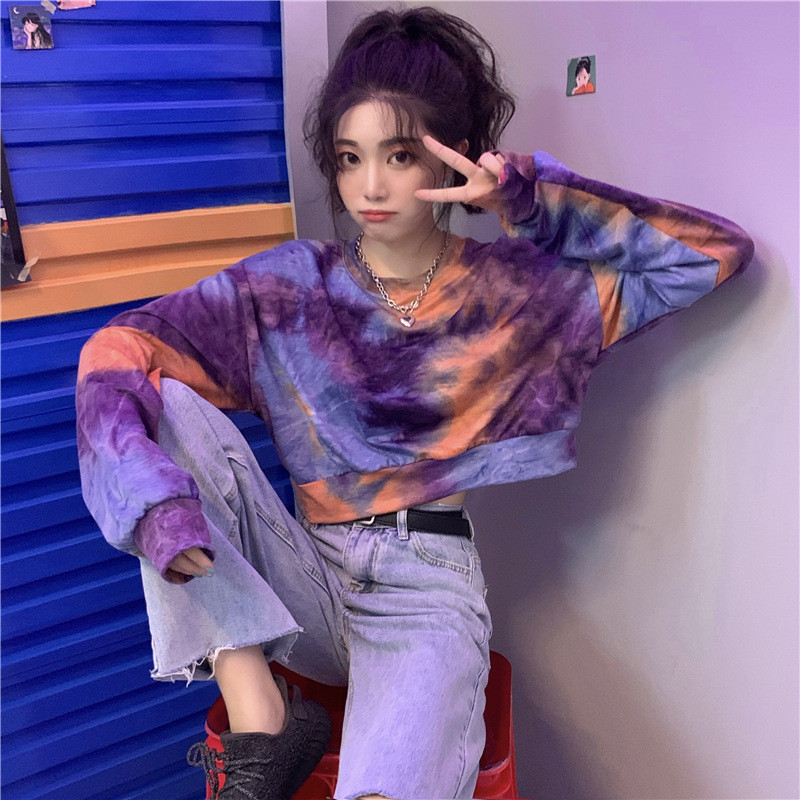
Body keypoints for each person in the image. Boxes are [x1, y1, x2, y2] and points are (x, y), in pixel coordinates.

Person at [75, 6, 754, 800]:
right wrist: (151, 506)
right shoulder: (285, 287)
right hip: (302, 574)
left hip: (424, 587)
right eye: (349, 157)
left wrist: (529, 200)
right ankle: (262, 712)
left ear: (452, 154)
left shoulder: (516, 293)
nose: (368, 186)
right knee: (158, 402)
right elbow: (118, 351)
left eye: (398, 155)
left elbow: (710, 256)